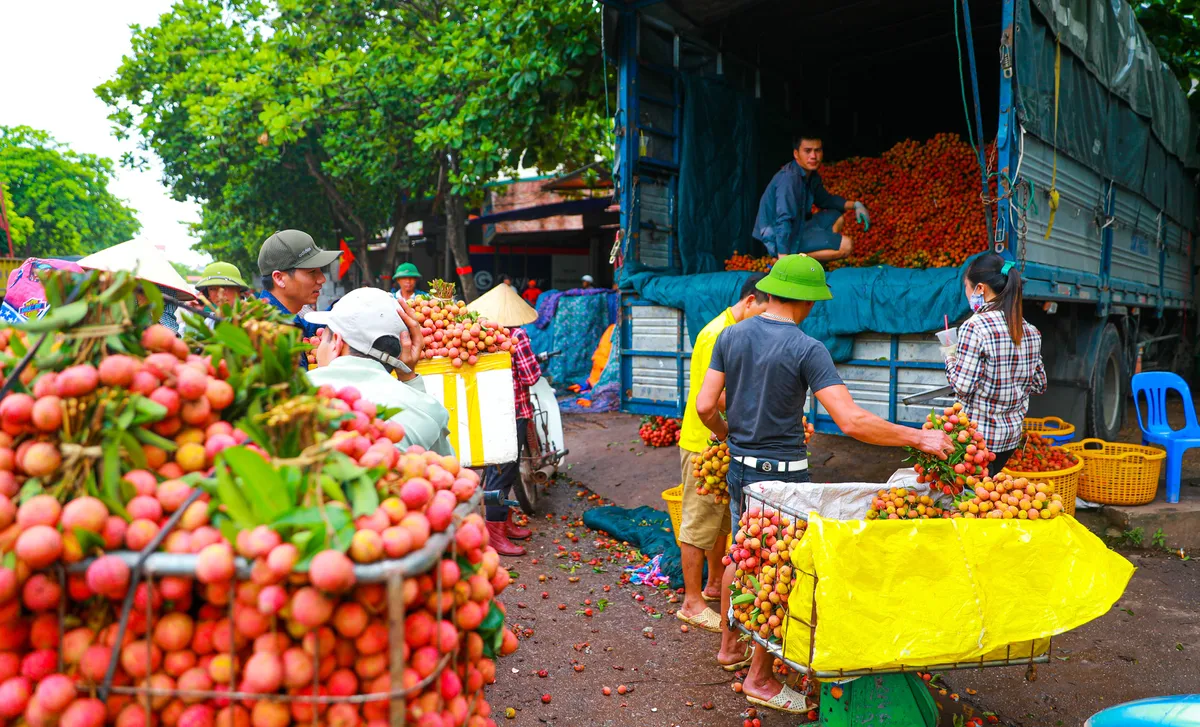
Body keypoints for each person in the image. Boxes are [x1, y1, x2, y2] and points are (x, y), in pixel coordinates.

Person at [696, 254, 953, 714]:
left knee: (740, 551)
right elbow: (850, 420)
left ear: (772, 291)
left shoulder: (731, 335)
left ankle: (730, 648)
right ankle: (760, 677)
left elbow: (704, 405)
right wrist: (919, 437)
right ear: (808, 301)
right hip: (782, 480)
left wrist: (726, 433)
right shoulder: (807, 348)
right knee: (778, 570)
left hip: (740, 468)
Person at [675, 274, 768, 634]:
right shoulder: (718, 334)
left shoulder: (736, 331)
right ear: (749, 301)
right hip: (705, 442)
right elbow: (712, 397)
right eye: (763, 312)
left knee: (721, 522)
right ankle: (691, 603)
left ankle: (714, 584)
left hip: (724, 440)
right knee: (698, 523)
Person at [305, 288, 455, 456]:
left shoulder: (292, 393)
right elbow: (443, 464)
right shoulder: (428, 412)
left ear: (336, 342)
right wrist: (408, 376)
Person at [945, 253, 1047, 474]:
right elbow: (1039, 384)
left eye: (967, 287)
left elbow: (963, 387)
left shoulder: (975, 327)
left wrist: (950, 357)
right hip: (1009, 440)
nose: (967, 294)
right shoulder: (1029, 329)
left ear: (980, 288)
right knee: (989, 490)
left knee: (971, 493)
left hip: (976, 442)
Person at [467, 284, 543, 556]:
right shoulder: (518, 335)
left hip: (488, 412)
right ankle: (495, 534)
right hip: (514, 413)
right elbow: (531, 377)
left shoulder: (479, 337)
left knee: (498, 470)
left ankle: (504, 524)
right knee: (503, 472)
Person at [753, 132, 871, 264]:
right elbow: (784, 220)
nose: (813, 156)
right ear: (796, 154)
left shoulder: (811, 176)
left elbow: (825, 200)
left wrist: (856, 205)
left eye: (817, 150)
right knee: (846, 246)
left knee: (837, 217)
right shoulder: (789, 180)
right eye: (807, 151)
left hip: (798, 227)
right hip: (778, 236)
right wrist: (783, 257)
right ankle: (793, 260)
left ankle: (811, 257)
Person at [257, 229, 341, 337]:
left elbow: (311, 328)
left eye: (320, 270)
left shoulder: (287, 317)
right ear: (279, 278)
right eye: (312, 272)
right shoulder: (267, 332)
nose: (322, 279)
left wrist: (339, 306)